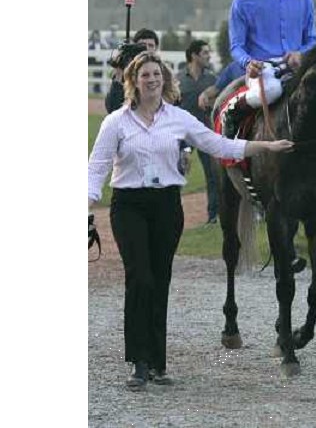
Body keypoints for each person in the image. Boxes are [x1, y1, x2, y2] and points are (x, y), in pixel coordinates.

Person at [88, 51, 293, 390]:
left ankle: (157, 362)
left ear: (165, 80)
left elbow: (219, 144)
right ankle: (138, 362)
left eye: (157, 75)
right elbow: (96, 168)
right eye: (145, 76)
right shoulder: (117, 122)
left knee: (161, 279)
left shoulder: (179, 119)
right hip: (130, 207)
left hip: (167, 205)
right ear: (134, 82)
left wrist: (266, 148)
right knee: (140, 278)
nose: (151, 80)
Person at [224, 0, 316, 138]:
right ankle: (233, 110)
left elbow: (312, 39)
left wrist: (300, 54)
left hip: (297, 67)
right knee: (273, 91)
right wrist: (249, 63)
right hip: (263, 70)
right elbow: (236, 46)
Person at [177, 40, 220, 224]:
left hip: (205, 135)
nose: (208, 56)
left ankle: (213, 216)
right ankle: (171, 215)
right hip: (183, 137)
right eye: (204, 53)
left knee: (213, 175)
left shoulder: (212, 80)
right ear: (194, 55)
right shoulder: (178, 80)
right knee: (176, 174)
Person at [105, 29, 159, 113]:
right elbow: (112, 108)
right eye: (142, 46)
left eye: (151, 46)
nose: (147, 49)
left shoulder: (163, 75)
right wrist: (119, 72)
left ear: (156, 49)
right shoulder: (126, 75)